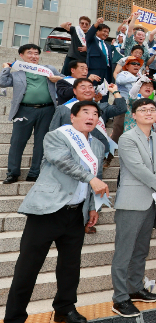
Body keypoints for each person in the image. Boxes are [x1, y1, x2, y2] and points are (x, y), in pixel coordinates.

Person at [3, 101, 109, 323]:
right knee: (28, 266)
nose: (91, 116)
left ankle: (64, 308)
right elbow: (63, 162)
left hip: (76, 213)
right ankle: (14, 317)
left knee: (70, 266)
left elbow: (96, 178)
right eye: (86, 112)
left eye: (95, 113)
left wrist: (91, 207)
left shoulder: (98, 146)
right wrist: (91, 178)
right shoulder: (57, 136)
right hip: (47, 210)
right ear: (72, 117)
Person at [111, 98, 156, 318]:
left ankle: (135, 288)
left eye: (152, 109)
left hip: (151, 202)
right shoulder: (127, 138)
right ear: (134, 114)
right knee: (124, 252)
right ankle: (120, 298)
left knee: (141, 250)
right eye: (143, 110)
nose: (149, 113)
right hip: (131, 201)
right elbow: (137, 168)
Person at [1, 44, 62, 184]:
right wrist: (6, 68)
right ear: (21, 56)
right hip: (24, 110)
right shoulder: (17, 73)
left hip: (47, 110)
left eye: (36, 53)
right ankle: (13, 172)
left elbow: (65, 79)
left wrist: (57, 79)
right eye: (30, 53)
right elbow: (2, 82)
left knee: (41, 142)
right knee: (17, 142)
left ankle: (35, 172)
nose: (34, 56)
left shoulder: (48, 69)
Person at [49, 79, 127, 170]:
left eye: (90, 87)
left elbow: (121, 109)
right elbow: (53, 133)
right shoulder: (63, 109)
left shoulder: (102, 107)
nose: (87, 90)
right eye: (83, 87)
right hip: (70, 156)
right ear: (74, 91)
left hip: (96, 155)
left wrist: (115, 91)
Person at [85, 17, 115, 84]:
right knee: (94, 91)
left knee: (104, 92)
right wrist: (97, 23)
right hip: (95, 70)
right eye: (104, 31)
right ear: (97, 31)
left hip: (106, 72)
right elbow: (89, 35)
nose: (106, 34)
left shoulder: (107, 46)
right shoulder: (92, 41)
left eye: (107, 32)